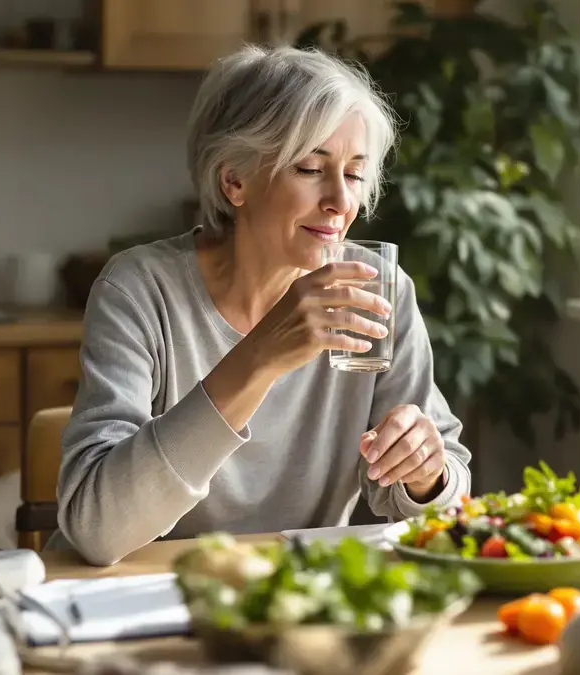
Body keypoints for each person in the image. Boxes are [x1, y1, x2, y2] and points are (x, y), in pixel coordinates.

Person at [52, 44, 473, 566]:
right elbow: (97, 529)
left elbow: (449, 509)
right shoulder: (140, 290)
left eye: (354, 174)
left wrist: (427, 476)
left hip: (295, 591)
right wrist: (260, 357)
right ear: (234, 180)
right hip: (147, 588)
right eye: (310, 168)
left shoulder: (375, 288)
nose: (342, 202)